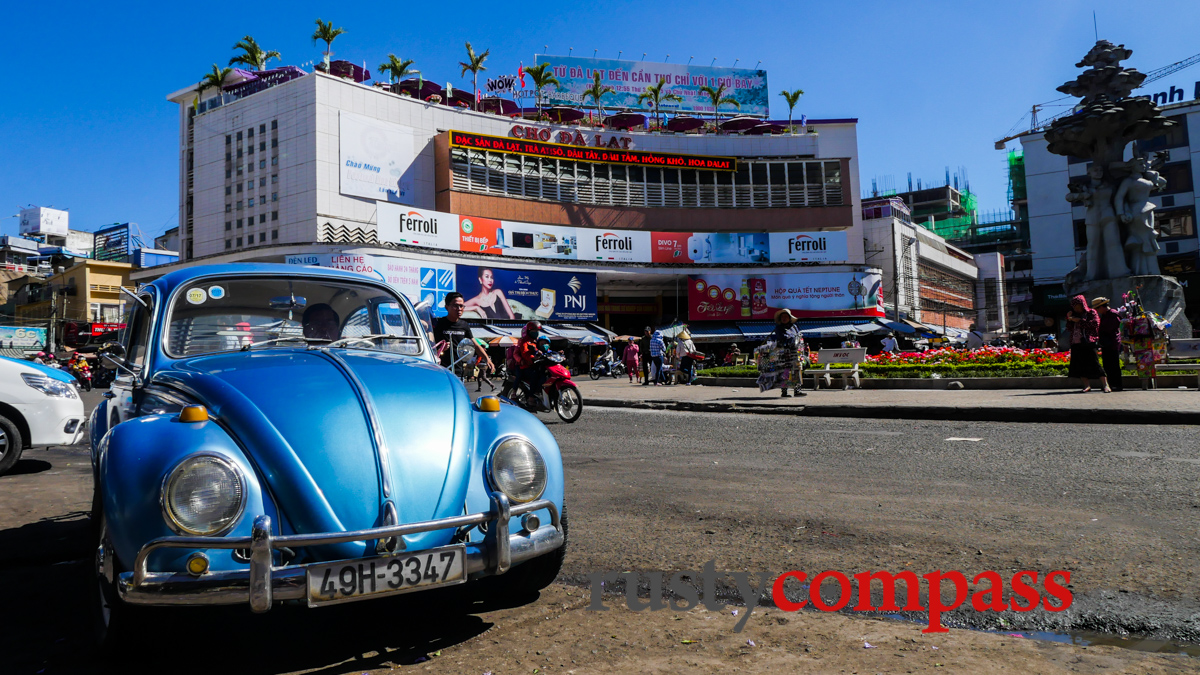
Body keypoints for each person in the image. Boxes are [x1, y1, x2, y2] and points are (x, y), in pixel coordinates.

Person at [433, 292, 493, 373]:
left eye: (461, 306)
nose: (459, 308)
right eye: (455, 305)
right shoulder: (438, 324)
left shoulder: (464, 325)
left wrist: (487, 359)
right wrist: (440, 349)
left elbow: (475, 345)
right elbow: (430, 345)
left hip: (459, 371)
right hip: (441, 370)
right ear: (447, 307)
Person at [1066, 294, 1107, 393]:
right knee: (1080, 365)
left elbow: (1095, 324)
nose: (1077, 309)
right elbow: (1069, 328)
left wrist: (1080, 321)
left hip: (1088, 342)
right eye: (1075, 307)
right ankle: (1086, 385)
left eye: (1078, 306)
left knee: (1095, 363)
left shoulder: (1091, 312)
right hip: (1076, 343)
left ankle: (1105, 385)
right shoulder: (1074, 315)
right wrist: (1069, 319)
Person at [768, 309, 808, 397]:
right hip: (784, 353)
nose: (784, 318)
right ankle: (784, 392)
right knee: (785, 372)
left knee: (796, 371)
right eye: (782, 317)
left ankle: (797, 390)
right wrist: (792, 338)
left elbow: (798, 335)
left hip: (795, 352)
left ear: (789, 318)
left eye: (786, 317)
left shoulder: (794, 327)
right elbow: (783, 337)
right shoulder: (779, 328)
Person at [1093, 297, 1124, 392]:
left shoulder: (1113, 314)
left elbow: (1111, 329)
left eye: (1098, 308)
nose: (1097, 311)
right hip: (1105, 343)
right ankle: (1110, 384)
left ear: (1102, 307)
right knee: (1107, 365)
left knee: (1114, 365)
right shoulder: (1104, 315)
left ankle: (1117, 385)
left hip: (1112, 343)